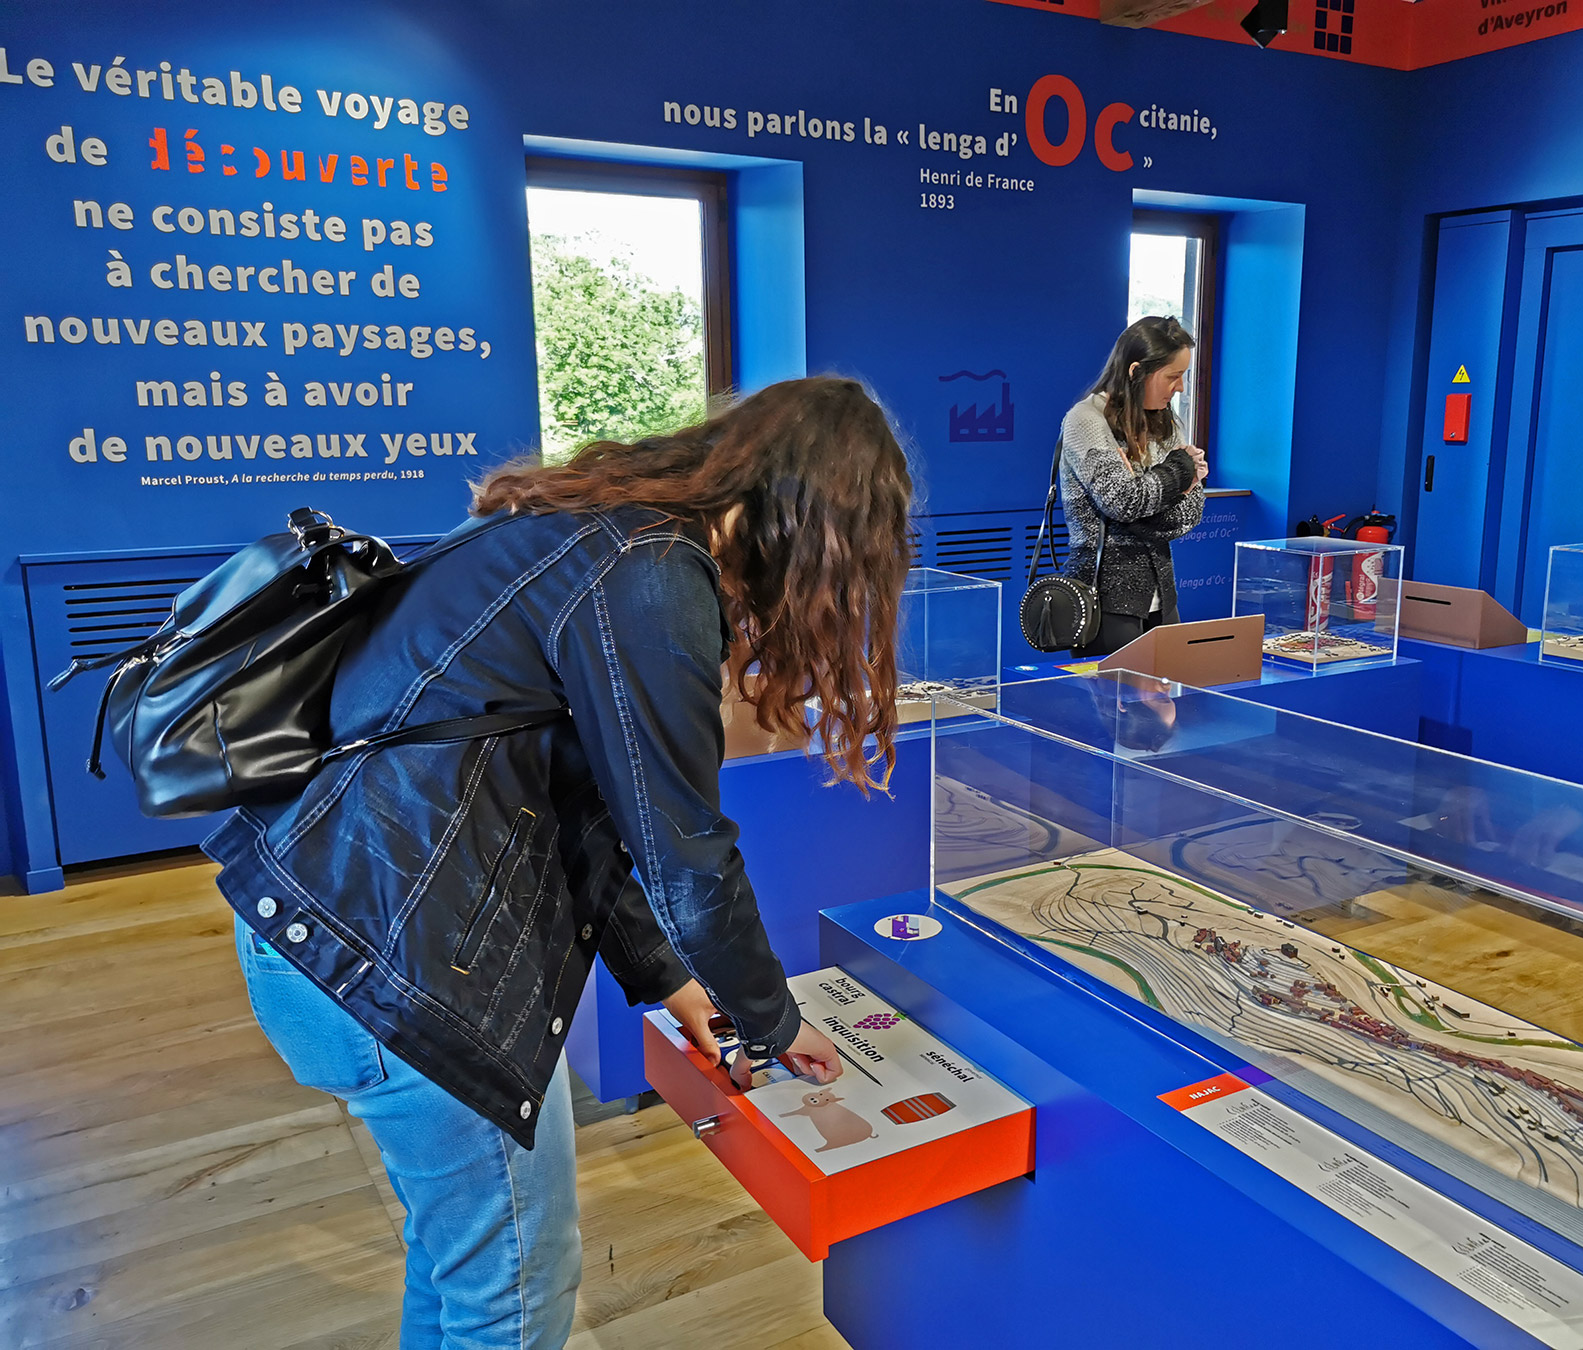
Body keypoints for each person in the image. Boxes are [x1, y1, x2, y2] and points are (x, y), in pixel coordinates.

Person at [205, 376, 913, 1348]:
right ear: (816, 526)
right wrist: (772, 1019)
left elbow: (590, 810)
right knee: (515, 1295)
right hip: (393, 966)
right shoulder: (654, 572)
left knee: (460, 1266)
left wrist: (671, 983)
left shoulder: (593, 532)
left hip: (314, 928)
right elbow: (687, 856)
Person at [1060, 315, 1208, 659]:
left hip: (1163, 597)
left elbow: (1190, 514)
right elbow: (1123, 501)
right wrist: (1179, 471)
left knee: (1169, 704)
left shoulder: (1165, 422)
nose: (1181, 388)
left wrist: (1145, 499)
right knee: (1112, 708)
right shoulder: (1086, 420)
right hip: (1105, 598)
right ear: (1136, 371)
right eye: (1173, 376)